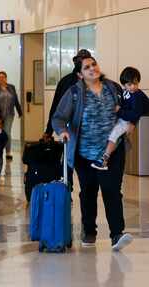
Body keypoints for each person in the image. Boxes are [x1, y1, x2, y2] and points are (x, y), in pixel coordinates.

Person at [52, 55, 133, 251]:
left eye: (94, 64)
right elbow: (59, 117)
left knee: (112, 190)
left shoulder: (113, 88)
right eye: (87, 67)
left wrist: (130, 121)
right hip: (84, 153)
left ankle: (116, 234)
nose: (92, 69)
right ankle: (89, 230)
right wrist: (62, 131)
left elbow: (130, 108)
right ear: (80, 74)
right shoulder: (74, 93)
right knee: (88, 191)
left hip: (111, 151)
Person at [92, 67, 147, 170]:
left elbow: (135, 113)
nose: (133, 87)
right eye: (129, 84)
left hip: (131, 119)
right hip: (125, 117)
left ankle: (104, 159)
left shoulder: (137, 95)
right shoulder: (125, 92)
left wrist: (122, 113)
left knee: (114, 134)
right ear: (124, 84)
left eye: (135, 83)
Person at [44, 49, 92, 138]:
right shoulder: (66, 82)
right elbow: (56, 106)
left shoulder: (97, 83)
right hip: (70, 130)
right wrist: (48, 131)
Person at [0, 71, 22, 160]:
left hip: (9, 114)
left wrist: (20, 111)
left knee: (7, 132)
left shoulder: (11, 87)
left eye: (3, 77)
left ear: (6, 78)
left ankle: (8, 152)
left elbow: (16, 101)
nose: (1, 79)